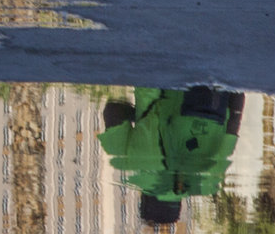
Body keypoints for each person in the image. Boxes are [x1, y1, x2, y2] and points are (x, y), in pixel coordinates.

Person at [96, 86, 244, 226]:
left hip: (217, 90)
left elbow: (234, 117)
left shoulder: (211, 176)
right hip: (161, 75)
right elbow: (113, 109)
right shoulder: (126, 159)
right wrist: (143, 119)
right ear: (144, 197)